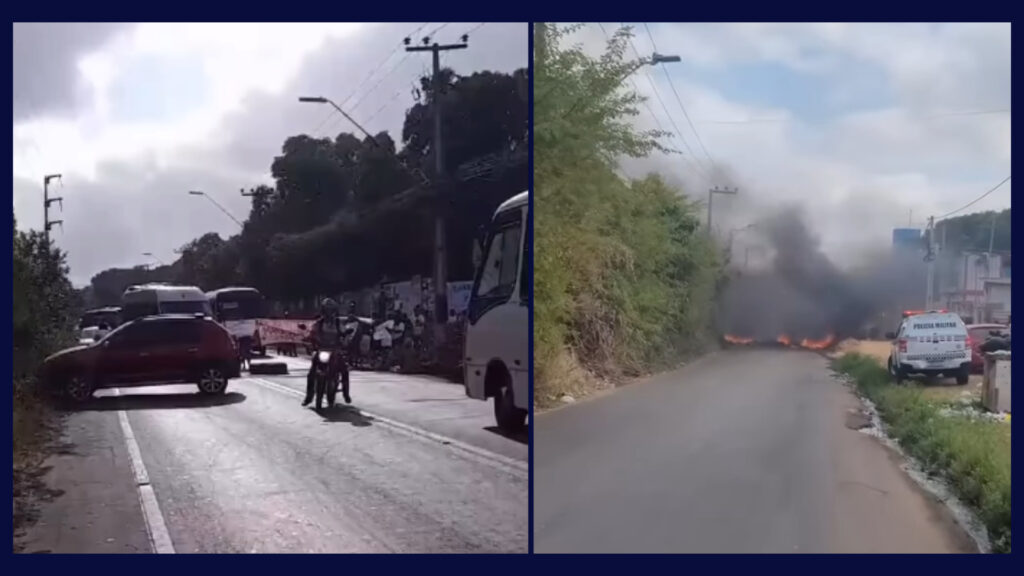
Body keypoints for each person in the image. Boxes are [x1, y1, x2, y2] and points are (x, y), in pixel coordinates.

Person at [302, 298, 351, 406]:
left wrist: (345, 339)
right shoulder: (318, 323)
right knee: (311, 373)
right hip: (321, 350)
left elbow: (344, 334)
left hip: (335, 351)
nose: (329, 312)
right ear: (323, 310)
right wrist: (307, 338)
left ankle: (346, 394)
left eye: (331, 310)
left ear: (334, 311)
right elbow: (310, 333)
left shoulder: (338, 323)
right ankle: (309, 396)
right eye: (327, 310)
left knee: (344, 370)